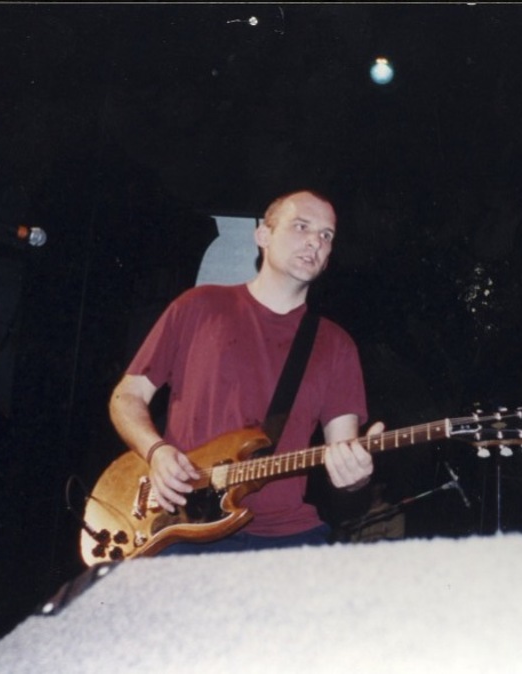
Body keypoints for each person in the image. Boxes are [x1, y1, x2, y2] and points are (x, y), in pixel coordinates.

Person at [109, 189, 381, 553]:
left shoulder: (337, 345)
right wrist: (156, 451)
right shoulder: (199, 306)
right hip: (183, 524)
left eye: (326, 235)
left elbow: (342, 451)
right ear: (263, 235)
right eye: (301, 226)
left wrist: (355, 477)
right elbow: (126, 396)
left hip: (285, 537)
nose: (315, 241)